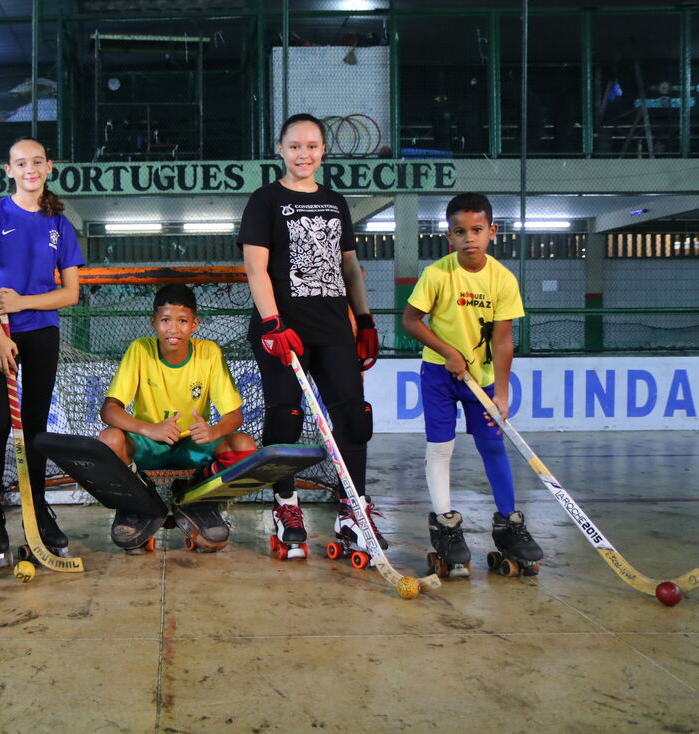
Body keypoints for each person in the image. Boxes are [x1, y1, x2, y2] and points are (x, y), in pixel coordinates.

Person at [237, 112, 382, 559]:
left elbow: (349, 267)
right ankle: (286, 507)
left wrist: (366, 318)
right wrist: (274, 324)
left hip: (334, 327)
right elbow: (255, 268)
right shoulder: (264, 200)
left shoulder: (336, 201)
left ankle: (351, 510)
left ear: (323, 151)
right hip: (282, 328)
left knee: (354, 418)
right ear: (280, 149)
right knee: (288, 417)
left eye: (312, 145)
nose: (304, 153)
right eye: (295, 145)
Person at [401, 192, 543, 577]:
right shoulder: (437, 274)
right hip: (439, 377)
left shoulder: (503, 279)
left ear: (492, 231)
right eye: (460, 231)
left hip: (479, 381)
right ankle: (446, 526)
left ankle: (509, 524)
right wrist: (447, 350)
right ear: (449, 236)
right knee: (441, 448)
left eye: (477, 229)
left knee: (492, 445)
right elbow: (411, 321)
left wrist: (501, 391)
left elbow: (502, 340)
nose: (469, 238)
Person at [0, 136, 84, 566]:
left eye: (38, 161)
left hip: (41, 334)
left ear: (49, 167)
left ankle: (37, 509)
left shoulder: (59, 225)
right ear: (9, 169)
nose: (30, 168)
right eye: (21, 162)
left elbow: (70, 294)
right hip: (0, 334)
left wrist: (23, 302)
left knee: (34, 428)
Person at [97, 284, 257, 551]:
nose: (174, 328)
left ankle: (198, 497)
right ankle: (136, 503)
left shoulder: (209, 352)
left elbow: (234, 414)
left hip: (191, 444)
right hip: (149, 443)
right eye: (165, 320)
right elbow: (109, 410)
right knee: (108, 440)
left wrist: (214, 432)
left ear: (195, 324)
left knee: (245, 447)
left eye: (182, 321)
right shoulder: (140, 350)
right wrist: (150, 429)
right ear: (153, 323)